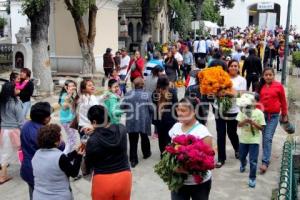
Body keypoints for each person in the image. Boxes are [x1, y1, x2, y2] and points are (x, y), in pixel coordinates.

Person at [169, 97, 213, 200]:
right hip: (179, 182)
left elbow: (208, 162)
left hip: (199, 184)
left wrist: (186, 170)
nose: (179, 113)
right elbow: (170, 149)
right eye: (178, 110)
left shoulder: (203, 133)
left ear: (194, 112)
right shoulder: (176, 127)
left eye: (183, 110)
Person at [85, 105, 132, 200]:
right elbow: (110, 128)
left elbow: (88, 162)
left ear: (94, 122)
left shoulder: (93, 140)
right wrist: (97, 129)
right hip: (124, 177)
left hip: (102, 180)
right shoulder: (122, 129)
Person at [32, 124, 83, 199]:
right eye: (60, 136)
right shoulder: (59, 157)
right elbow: (74, 173)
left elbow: (59, 162)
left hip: (39, 195)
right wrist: (79, 156)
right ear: (56, 142)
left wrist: (74, 153)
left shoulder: (37, 154)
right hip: (58, 196)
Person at [214, 60, 247, 168]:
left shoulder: (242, 80)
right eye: (231, 66)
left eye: (236, 66)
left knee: (232, 132)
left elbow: (241, 95)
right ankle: (221, 158)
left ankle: (237, 149)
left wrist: (227, 92)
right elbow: (215, 92)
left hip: (233, 110)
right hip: (219, 109)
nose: (233, 68)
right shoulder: (221, 78)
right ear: (228, 67)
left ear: (238, 68)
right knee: (220, 134)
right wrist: (220, 93)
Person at [256, 67, 288, 174]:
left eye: (270, 75)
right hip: (262, 116)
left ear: (273, 75)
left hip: (273, 116)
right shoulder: (260, 86)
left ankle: (265, 162)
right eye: (266, 75)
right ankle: (266, 156)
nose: (268, 77)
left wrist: (284, 114)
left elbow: (283, 101)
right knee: (265, 137)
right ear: (263, 76)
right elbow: (256, 101)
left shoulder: (279, 86)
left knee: (268, 137)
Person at [20, 102, 54, 199]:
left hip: (27, 168)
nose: (50, 118)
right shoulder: (42, 133)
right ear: (42, 118)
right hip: (39, 171)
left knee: (33, 193)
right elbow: (59, 147)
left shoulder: (26, 125)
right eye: (48, 116)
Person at [121, 78, 153, 168]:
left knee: (133, 140)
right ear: (143, 85)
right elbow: (151, 108)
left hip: (131, 120)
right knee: (144, 137)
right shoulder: (147, 94)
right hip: (143, 120)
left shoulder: (128, 94)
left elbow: (122, 107)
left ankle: (133, 160)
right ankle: (146, 153)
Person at [236, 93, 266, 188]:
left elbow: (262, 128)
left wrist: (252, 122)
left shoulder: (259, 113)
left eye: (253, 101)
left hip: (254, 140)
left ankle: (252, 178)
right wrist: (245, 121)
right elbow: (239, 125)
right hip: (243, 139)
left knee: (253, 160)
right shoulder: (242, 111)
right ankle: (243, 162)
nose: (250, 103)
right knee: (241, 156)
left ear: (256, 102)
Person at [0, 82, 24, 184]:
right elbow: (20, 121)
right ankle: (3, 176)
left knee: (4, 153)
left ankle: (3, 175)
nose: (17, 88)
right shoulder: (16, 103)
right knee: (22, 151)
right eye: (15, 88)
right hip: (14, 131)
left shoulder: (1, 102)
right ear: (11, 90)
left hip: (3, 131)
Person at [152, 76, 178, 156]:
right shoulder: (172, 91)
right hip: (170, 118)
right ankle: (168, 153)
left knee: (161, 137)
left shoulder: (155, 93)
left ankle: (162, 153)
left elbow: (154, 103)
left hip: (159, 117)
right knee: (169, 137)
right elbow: (175, 105)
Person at [58, 80, 78, 153]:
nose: (73, 87)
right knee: (72, 139)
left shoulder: (69, 95)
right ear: (66, 87)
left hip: (69, 120)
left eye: (73, 86)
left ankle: (68, 155)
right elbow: (64, 106)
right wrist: (69, 96)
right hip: (67, 121)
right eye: (70, 86)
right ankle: (65, 155)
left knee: (72, 139)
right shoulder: (65, 95)